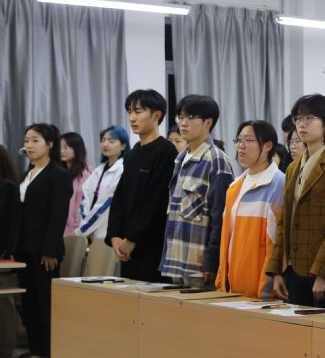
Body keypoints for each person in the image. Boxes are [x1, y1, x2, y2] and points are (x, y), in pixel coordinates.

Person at [267, 94, 325, 309]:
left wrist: (323, 274)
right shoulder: (292, 167)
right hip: (293, 269)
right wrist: (277, 270)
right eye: (298, 118)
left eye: (309, 118)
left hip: (324, 273)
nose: (302, 124)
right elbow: (284, 221)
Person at [15, 123, 73, 358]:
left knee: (45, 303)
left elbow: (58, 215)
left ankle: (48, 353)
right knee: (28, 303)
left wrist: (50, 249)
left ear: (50, 144)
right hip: (24, 249)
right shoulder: (27, 174)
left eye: (35, 140)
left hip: (45, 251)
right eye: (26, 140)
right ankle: (35, 350)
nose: (29, 145)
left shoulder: (57, 175)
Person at [159, 95, 234, 288]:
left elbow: (221, 215)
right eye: (181, 117)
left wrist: (212, 260)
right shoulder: (181, 158)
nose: (183, 123)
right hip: (176, 259)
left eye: (190, 117)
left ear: (208, 122)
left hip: (198, 264)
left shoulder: (216, 160)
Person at [106, 89, 178, 283]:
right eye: (130, 112)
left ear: (156, 115)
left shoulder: (166, 151)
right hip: (127, 245)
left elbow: (157, 201)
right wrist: (115, 235)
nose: (132, 118)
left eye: (138, 112)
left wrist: (132, 238)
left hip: (151, 245)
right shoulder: (134, 152)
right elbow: (120, 196)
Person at [215, 121, 285, 298]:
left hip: (259, 293)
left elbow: (276, 243)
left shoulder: (278, 183)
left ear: (267, 146)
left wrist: (266, 291)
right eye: (239, 140)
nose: (241, 146)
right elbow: (227, 241)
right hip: (231, 289)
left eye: (248, 140)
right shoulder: (235, 186)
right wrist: (221, 281)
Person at [76, 126, 130, 277]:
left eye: (111, 141)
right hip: (91, 230)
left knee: (104, 274)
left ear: (123, 145)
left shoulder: (123, 169)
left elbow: (107, 204)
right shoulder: (98, 170)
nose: (105, 144)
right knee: (90, 274)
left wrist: (86, 227)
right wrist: (85, 223)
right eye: (103, 140)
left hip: (107, 230)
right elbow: (85, 196)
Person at [59, 132, 92, 277]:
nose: (62, 151)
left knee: (71, 272)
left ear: (77, 149)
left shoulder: (86, 173)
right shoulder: (60, 172)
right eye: (60, 147)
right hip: (60, 229)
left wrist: (79, 228)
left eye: (66, 147)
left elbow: (83, 205)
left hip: (76, 230)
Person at [0, 146, 21, 358]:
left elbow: (6, 225)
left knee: (3, 302)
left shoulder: (7, 187)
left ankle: (4, 351)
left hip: (3, 254)